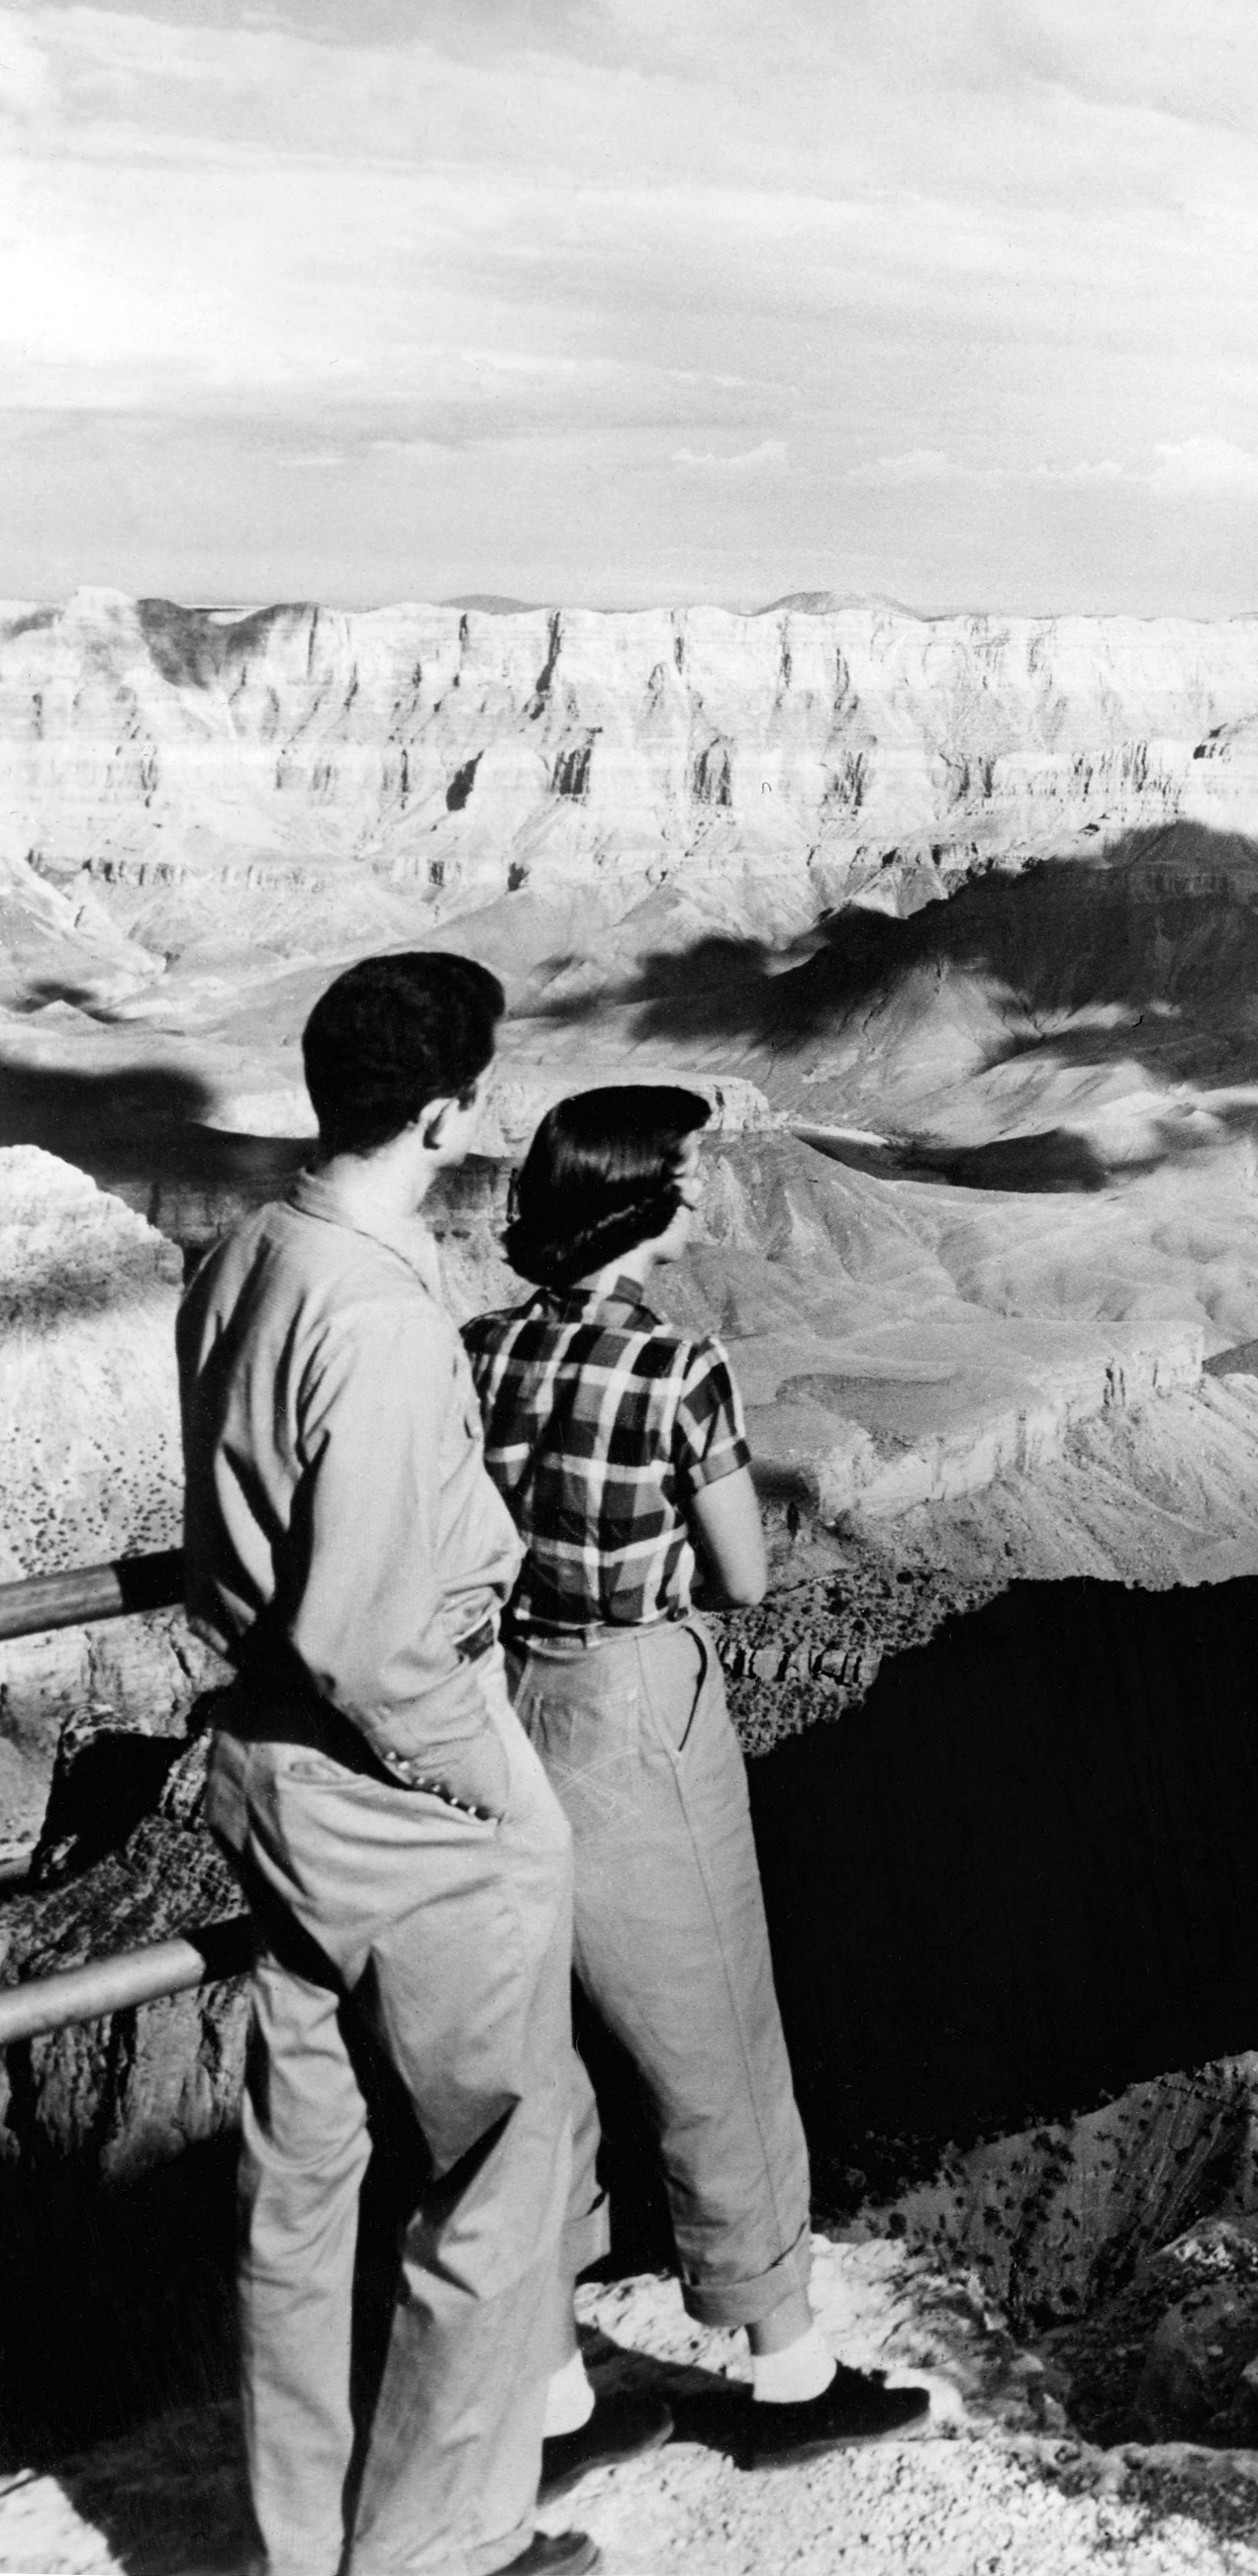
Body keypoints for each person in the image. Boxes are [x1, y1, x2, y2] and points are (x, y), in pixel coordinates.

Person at [178, 952, 598, 2576]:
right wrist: (489, 1792)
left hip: (271, 1777)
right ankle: (443, 2550)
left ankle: (299, 2545)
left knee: (300, 2185)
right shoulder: (380, 1323)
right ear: (445, 1108)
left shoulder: (243, 1256)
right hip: (400, 1785)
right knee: (500, 2178)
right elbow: (368, 1634)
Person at [462, 1086, 930, 2476]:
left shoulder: (475, 1352)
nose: (707, 1192)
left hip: (496, 1708)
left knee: (527, 2056)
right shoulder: (676, 1368)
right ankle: (788, 2374)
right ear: (641, 1205)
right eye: (688, 1172)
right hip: (632, 1710)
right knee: (714, 2039)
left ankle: (553, 2406)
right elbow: (741, 1572)